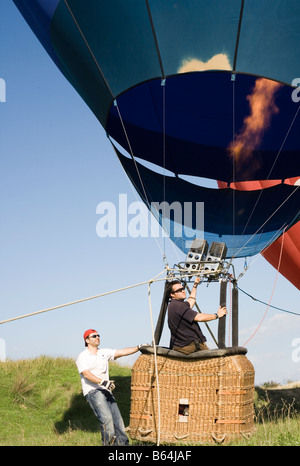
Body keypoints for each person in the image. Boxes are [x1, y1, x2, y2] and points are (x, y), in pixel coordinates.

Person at [76, 328, 141, 445]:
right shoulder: (83, 356)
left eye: (98, 335)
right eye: (94, 336)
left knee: (118, 421)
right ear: (87, 340)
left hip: (106, 391)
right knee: (107, 420)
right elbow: (86, 374)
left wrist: (138, 347)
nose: (97, 337)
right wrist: (103, 382)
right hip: (93, 391)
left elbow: (121, 352)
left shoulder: (103, 353)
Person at [167, 276, 227, 354]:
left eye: (183, 289)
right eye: (179, 290)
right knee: (217, 361)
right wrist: (217, 315)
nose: (183, 291)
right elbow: (199, 317)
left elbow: (191, 301)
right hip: (191, 346)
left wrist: (195, 285)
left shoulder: (174, 305)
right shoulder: (179, 306)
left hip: (181, 346)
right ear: (172, 294)